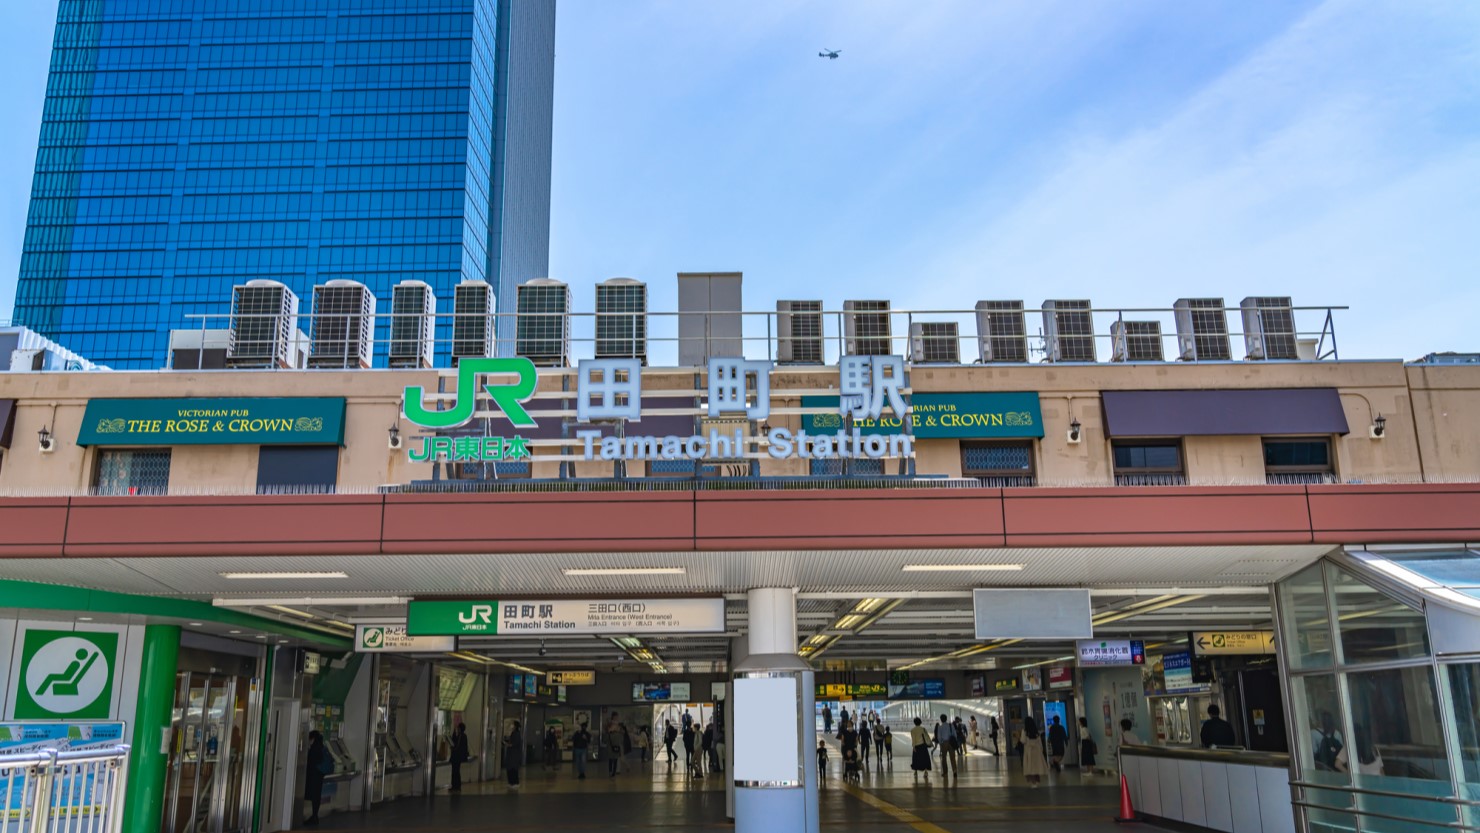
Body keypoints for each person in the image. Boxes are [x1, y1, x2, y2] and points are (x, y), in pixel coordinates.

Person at [304, 730, 327, 825]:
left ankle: (314, 817)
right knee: (316, 796)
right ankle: (315, 816)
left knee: (314, 796)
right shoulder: (321, 746)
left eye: (309, 739)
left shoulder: (314, 748)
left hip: (314, 776)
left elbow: (310, 761)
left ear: (312, 738)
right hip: (319, 775)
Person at [1019, 716, 1049, 787]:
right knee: (1037, 766)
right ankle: (1037, 781)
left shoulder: (1025, 731)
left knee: (1030, 767)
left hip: (1029, 751)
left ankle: (1033, 782)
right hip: (1037, 750)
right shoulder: (1036, 731)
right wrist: (1041, 750)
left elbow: (1023, 741)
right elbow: (1040, 743)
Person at [909, 717, 932, 782]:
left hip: (916, 746)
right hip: (923, 746)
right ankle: (925, 772)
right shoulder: (923, 729)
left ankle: (915, 772)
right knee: (925, 759)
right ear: (920, 722)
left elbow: (913, 739)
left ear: (914, 723)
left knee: (916, 759)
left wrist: (913, 747)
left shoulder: (913, 730)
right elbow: (926, 736)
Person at [503, 721, 524, 789]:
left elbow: (514, 743)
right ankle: (511, 782)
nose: (511, 726)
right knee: (509, 768)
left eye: (512, 725)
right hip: (511, 754)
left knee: (513, 769)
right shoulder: (513, 733)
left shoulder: (517, 734)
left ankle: (515, 782)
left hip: (514, 755)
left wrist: (508, 744)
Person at [450, 722, 469, 792]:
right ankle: (456, 786)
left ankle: (455, 786)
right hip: (458, 757)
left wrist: (454, 734)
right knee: (456, 771)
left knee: (455, 771)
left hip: (456, 757)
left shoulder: (461, 736)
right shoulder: (464, 736)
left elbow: (456, 746)